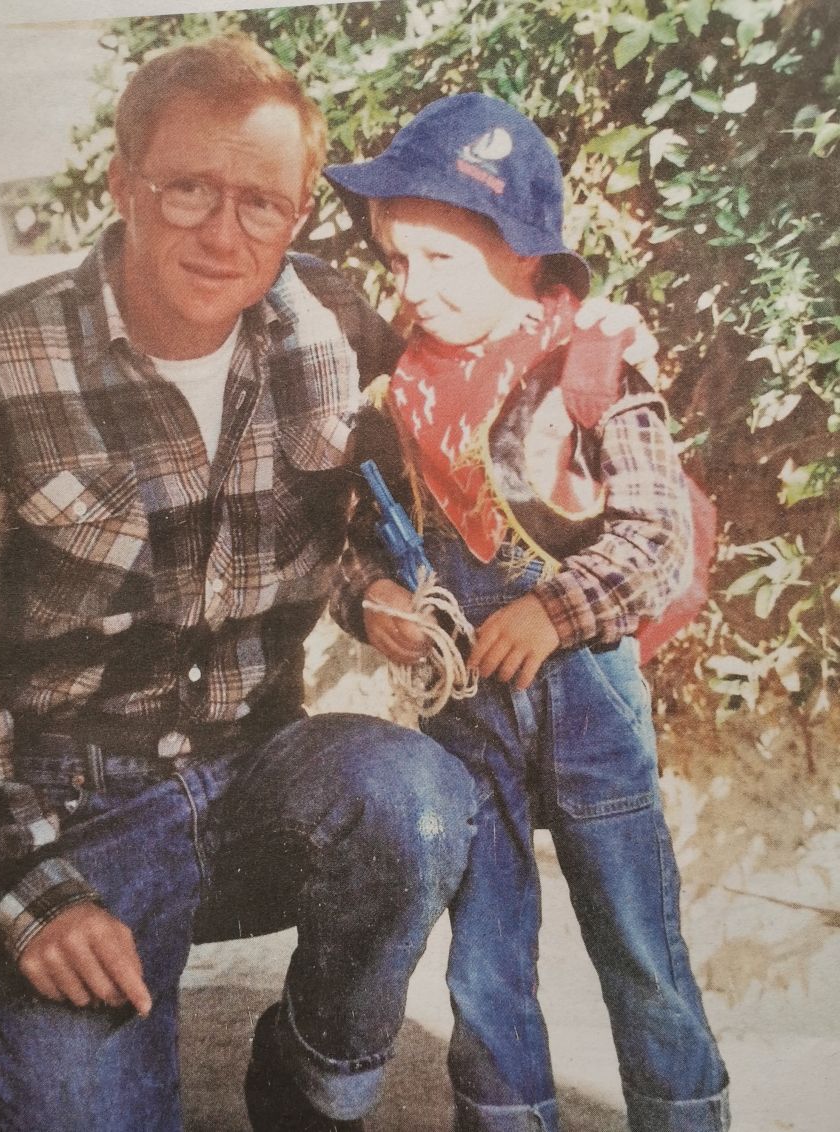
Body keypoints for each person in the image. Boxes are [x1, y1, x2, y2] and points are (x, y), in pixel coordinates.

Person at [0, 36, 480, 1132]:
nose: (224, 232)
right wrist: (31, 897)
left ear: (298, 214)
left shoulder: (338, 326)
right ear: (122, 186)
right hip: (77, 815)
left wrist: (583, 341)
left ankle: (308, 1081)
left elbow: (407, 485)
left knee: (419, 799)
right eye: (189, 189)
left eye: (262, 201)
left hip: (261, 776)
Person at [325, 94, 730, 1131]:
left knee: (639, 946)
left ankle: (683, 1112)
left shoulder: (590, 369)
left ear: (520, 256)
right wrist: (372, 599)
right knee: (486, 955)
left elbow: (653, 542)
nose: (411, 291)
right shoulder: (400, 393)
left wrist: (553, 611)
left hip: (587, 706)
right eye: (397, 262)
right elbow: (355, 546)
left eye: (440, 262)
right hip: (468, 718)